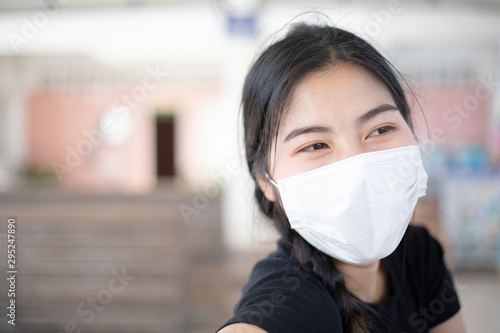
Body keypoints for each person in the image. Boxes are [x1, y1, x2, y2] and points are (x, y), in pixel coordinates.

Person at [218, 22, 466, 333]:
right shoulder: (287, 302)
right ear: (267, 182)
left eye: (380, 129)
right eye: (316, 145)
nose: (358, 166)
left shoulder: (419, 255)